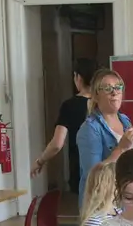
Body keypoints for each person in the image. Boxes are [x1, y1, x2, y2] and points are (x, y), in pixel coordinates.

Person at [75, 66, 133, 205]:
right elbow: (93, 176)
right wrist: (121, 148)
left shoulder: (124, 120)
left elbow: (130, 163)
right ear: (95, 95)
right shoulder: (90, 129)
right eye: (107, 89)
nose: (114, 92)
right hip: (101, 204)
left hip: (123, 198)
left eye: (118, 87)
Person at [31, 58, 97, 195]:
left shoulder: (70, 105)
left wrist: (40, 161)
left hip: (81, 168)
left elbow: (57, 144)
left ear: (78, 77)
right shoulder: (105, 104)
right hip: (105, 166)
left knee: (86, 212)